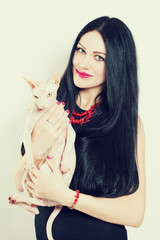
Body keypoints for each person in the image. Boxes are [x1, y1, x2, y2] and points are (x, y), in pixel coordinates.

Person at [13, 16, 146, 240]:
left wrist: (65, 196)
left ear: (117, 65)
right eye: (81, 50)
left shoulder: (128, 123)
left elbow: (134, 214)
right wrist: (36, 149)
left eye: (99, 58)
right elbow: (18, 182)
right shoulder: (47, 107)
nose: (83, 63)